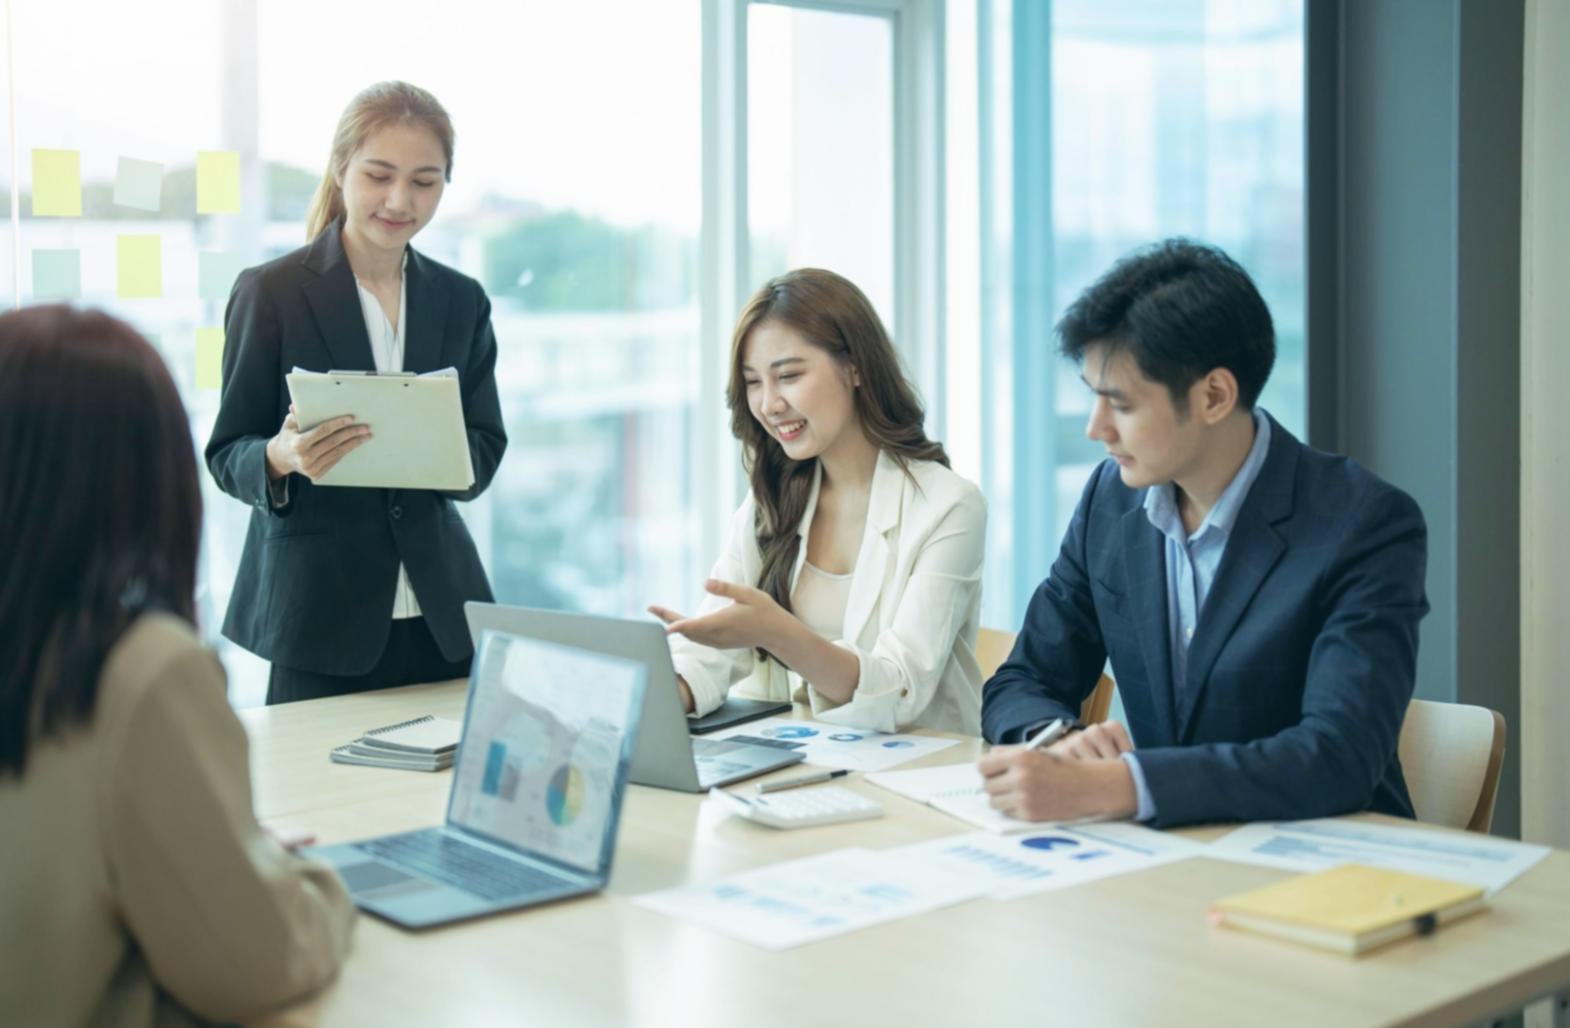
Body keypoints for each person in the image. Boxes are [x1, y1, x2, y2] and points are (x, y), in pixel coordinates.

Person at [979, 239, 1429, 827]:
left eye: (1120, 404)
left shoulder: (1365, 523)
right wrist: (1059, 741)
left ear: (1214, 395)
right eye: (1093, 398)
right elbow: (1025, 677)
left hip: (1326, 859)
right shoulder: (1109, 502)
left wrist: (1122, 786)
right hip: (1174, 853)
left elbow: (1337, 758)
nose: (1097, 429)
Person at [0, 306, 355, 1026]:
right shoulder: (142, 668)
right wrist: (295, 878)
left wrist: (215, 851)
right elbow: (260, 962)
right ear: (144, 469)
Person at [207, 81, 506, 704]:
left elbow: (485, 445)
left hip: (443, 616)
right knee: (319, 802)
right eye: (380, 175)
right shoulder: (272, 292)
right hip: (319, 619)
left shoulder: (461, 300)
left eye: (425, 182)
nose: (400, 200)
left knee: (445, 799)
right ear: (341, 169)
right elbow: (227, 451)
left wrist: (440, 452)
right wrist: (281, 457)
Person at [650, 268, 986, 735]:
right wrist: (656, 696)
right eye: (753, 382)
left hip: (915, 777)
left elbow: (900, 689)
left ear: (855, 367)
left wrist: (775, 631)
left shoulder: (949, 507)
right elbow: (710, 650)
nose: (769, 404)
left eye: (787, 376)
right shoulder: (771, 501)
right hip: (800, 771)